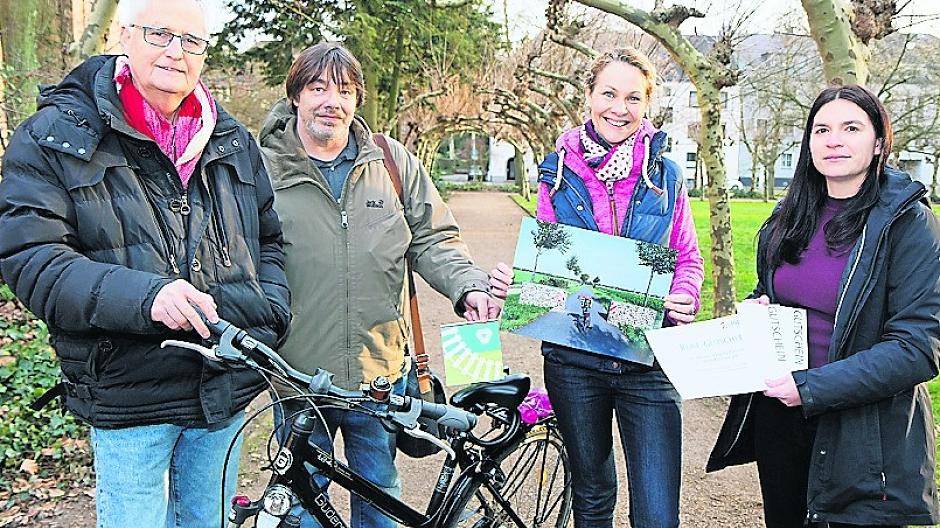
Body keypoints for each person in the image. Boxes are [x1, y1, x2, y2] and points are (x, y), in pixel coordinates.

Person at [0, 0, 290, 526]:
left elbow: (268, 238)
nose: (176, 52)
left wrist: (269, 310)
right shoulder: (56, 136)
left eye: (192, 41)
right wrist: (147, 297)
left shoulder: (233, 139)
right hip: (129, 388)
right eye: (160, 34)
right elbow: (32, 258)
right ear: (125, 35)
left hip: (223, 387)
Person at [258, 42, 499, 528]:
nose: (332, 101)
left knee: (380, 503)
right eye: (318, 88)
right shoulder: (261, 168)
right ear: (296, 97)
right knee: (302, 511)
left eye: (344, 91)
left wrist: (468, 285)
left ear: (357, 100)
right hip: (299, 376)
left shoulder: (390, 162)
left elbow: (433, 237)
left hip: (379, 374)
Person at [707, 85, 940, 528]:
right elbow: (775, 291)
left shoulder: (910, 224)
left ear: (878, 143)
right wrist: (760, 307)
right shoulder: (789, 215)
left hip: (866, 433)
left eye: (851, 127)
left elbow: (917, 348)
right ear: (809, 144)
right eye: (822, 129)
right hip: (781, 420)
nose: (834, 140)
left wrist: (812, 387)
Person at [490, 47, 704, 528]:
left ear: (647, 105)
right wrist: (518, 283)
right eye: (608, 93)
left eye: (633, 98)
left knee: (655, 513)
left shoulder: (665, 176)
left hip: (648, 359)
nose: (619, 108)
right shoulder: (556, 171)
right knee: (590, 496)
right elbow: (549, 264)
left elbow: (688, 257)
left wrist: (685, 294)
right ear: (588, 96)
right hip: (575, 362)